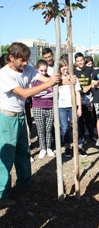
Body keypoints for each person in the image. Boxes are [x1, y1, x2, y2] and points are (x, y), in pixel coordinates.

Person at [0, 42, 60, 206]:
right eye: (22, 60)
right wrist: (49, 84)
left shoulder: (27, 69)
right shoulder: (4, 74)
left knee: (23, 152)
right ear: (11, 58)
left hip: (20, 116)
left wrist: (63, 80)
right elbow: (24, 93)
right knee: (6, 157)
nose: (26, 63)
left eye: (27, 59)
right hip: (6, 118)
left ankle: (24, 184)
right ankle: (2, 195)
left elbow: (45, 79)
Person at [58, 58, 82, 158]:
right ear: (59, 69)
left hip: (72, 106)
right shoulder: (57, 79)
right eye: (63, 69)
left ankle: (78, 146)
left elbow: (78, 93)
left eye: (67, 68)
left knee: (76, 127)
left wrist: (79, 107)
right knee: (65, 128)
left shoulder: (74, 78)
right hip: (61, 107)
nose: (66, 71)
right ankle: (67, 147)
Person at [32, 59, 55, 159]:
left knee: (49, 129)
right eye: (41, 71)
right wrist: (46, 92)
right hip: (38, 107)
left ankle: (49, 147)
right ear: (37, 69)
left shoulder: (50, 79)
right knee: (40, 129)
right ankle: (42, 148)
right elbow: (34, 94)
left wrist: (42, 93)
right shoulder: (33, 81)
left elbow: (54, 93)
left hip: (50, 107)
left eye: (45, 70)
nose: (43, 73)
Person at [74, 52, 94, 156]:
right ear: (75, 62)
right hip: (77, 99)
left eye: (81, 60)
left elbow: (94, 81)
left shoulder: (89, 69)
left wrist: (89, 86)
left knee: (89, 119)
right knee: (79, 121)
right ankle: (80, 144)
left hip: (87, 99)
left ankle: (89, 136)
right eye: (77, 61)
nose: (80, 62)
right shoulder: (73, 71)